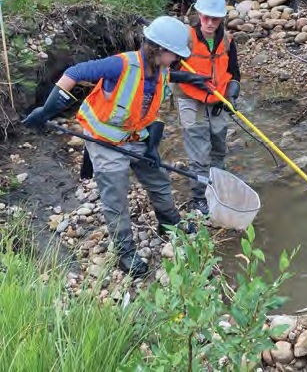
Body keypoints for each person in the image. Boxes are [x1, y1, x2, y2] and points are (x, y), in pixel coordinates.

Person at [22, 16, 211, 278]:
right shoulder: (119, 65)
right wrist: (46, 110)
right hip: (105, 140)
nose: (176, 60)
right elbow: (73, 74)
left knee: (159, 181)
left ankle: (169, 225)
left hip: (136, 136)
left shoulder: (162, 70)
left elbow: (152, 108)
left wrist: (153, 146)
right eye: (175, 55)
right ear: (158, 49)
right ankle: (125, 252)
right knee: (116, 195)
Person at [173, 0, 241, 216]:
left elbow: (235, 74)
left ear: (222, 18)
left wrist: (231, 94)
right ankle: (199, 197)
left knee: (219, 148)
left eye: (215, 18)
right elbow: (167, 71)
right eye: (205, 17)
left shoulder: (228, 41)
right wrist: (190, 77)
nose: (210, 22)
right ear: (198, 14)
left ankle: (217, 188)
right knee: (200, 152)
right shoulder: (185, 39)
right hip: (190, 99)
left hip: (218, 100)